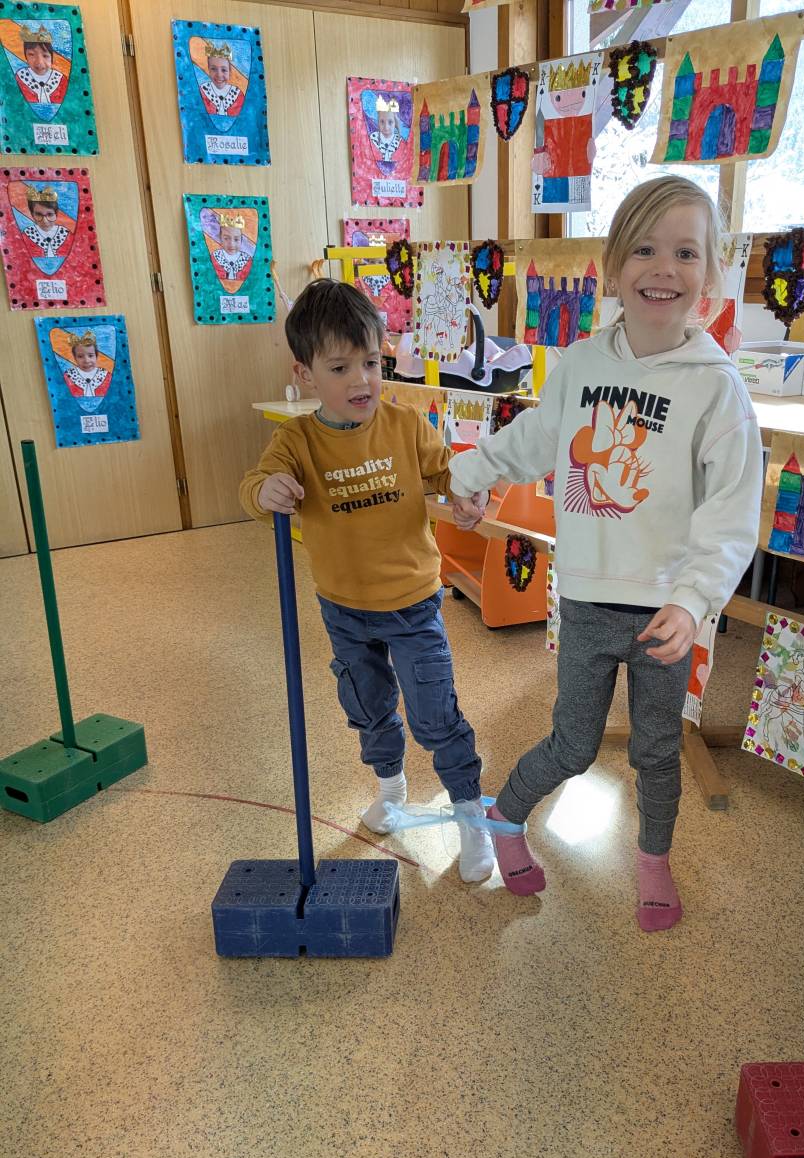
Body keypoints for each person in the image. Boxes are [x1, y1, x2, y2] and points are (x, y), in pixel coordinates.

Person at [450, 174, 763, 929]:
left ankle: (653, 861)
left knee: (658, 749)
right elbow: (533, 439)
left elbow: (731, 512)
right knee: (573, 743)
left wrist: (693, 601)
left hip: (668, 610)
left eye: (686, 252)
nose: (664, 268)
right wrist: (472, 473)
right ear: (613, 266)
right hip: (588, 598)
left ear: (712, 275)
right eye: (646, 250)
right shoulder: (583, 363)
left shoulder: (719, 390)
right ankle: (504, 816)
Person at [239, 279, 494, 883]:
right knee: (368, 708)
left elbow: (449, 472)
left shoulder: (405, 426)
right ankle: (391, 786)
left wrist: (466, 493)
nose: (361, 380)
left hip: (413, 604)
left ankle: (468, 813)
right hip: (344, 608)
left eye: (372, 363)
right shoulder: (296, 441)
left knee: (435, 715)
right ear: (303, 373)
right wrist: (264, 491)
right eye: (340, 367)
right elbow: (256, 484)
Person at [14, 24, 66, 107]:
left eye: (45, 56)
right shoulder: (20, 77)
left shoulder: (61, 79)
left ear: (52, 58)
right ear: (25, 56)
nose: (39, 62)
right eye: (31, 54)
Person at [22, 185, 69, 259]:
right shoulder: (25, 236)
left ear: (56, 214)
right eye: (38, 214)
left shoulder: (67, 235)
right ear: (32, 215)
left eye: (50, 214)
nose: (45, 221)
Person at [199, 41, 244, 117]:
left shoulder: (238, 95)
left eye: (224, 70)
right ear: (209, 70)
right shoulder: (202, 91)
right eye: (213, 69)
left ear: (230, 72)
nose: (219, 75)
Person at [63, 331, 111, 399]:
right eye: (80, 356)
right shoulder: (68, 376)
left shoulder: (106, 375)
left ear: (96, 356)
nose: (86, 361)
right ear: (75, 358)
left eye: (90, 356)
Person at [211, 212, 251, 282]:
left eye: (236, 239)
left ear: (241, 240)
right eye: (226, 239)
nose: (232, 244)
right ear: (220, 239)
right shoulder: (214, 258)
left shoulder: (247, 260)